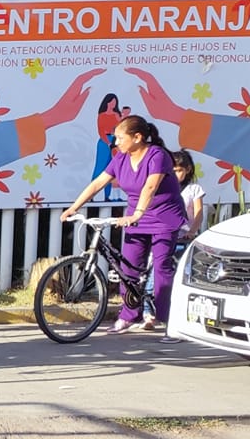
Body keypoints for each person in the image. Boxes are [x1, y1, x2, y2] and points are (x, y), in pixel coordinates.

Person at [62, 114, 188, 334]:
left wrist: (137, 214)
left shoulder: (157, 156)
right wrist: (74, 207)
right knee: (128, 269)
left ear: (137, 137)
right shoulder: (120, 158)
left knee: (161, 268)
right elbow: (98, 183)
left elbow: (150, 187)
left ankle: (169, 322)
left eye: (120, 138)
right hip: (136, 218)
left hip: (163, 217)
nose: (116, 142)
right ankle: (129, 315)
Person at [174, 149, 206, 236]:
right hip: (167, 235)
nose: (175, 175)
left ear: (187, 169)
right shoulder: (163, 188)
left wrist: (192, 231)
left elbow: (199, 213)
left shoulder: (194, 189)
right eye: (172, 171)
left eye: (179, 171)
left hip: (186, 236)